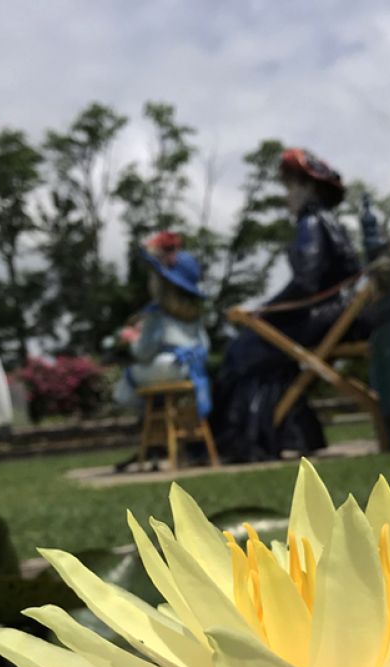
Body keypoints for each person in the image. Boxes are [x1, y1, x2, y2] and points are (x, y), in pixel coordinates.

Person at [211, 148, 362, 463]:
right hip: (333, 314)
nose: (287, 197)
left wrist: (263, 312)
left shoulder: (311, 223)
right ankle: (286, 433)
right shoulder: (331, 223)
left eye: (290, 188)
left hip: (318, 315)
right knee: (262, 354)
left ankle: (240, 439)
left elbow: (305, 282)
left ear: (307, 188)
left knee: (242, 352)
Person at [112, 231, 212, 469]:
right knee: (157, 394)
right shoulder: (193, 313)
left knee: (128, 386)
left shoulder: (157, 314)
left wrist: (131, 340)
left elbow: (144, 351)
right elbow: (205, 346)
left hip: (166, 367)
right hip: (191, 369)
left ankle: (153, 444)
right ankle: (170, 446)